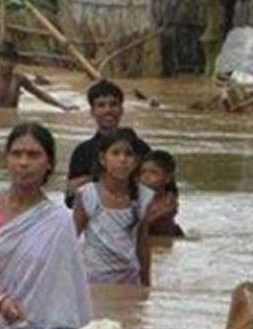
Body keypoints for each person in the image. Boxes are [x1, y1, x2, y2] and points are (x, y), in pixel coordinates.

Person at [0, 123, 92, 329]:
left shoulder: (61, 222)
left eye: (33, 155)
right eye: (17, 154)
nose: (24, 162)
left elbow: (68, 289)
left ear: (49, 163)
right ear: (6, 160)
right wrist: (0, 302)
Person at [73, 128, 176, 286]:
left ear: (135, 161)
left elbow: (142, 245)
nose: (122, 159)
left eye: (128, 154)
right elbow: (72, 238)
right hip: (94, 280)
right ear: (103, 159)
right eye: (115, 153)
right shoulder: (87, 195)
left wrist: (146, 286)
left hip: (129, 279)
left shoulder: (144, 196)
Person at [64, 79, 150, 208]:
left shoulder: (140, 147)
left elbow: (155, 186)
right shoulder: (83, 151)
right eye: (101, 105)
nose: (108, 110)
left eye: (113, 104)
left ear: (121, 109)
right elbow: (70, 198)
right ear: (92, 111)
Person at [0, 41, 78, 112]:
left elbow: (40, 94)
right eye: (4, 61)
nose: (7, 65)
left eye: (10, 62)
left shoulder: (19, 79)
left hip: (11, 118)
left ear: (15, 63)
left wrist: (62, 106)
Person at [139, 150, 185, 238]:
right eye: (143, 172)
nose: (146, 177)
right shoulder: (137, 197)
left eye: (154, 172)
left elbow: (143, 224)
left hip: (165, 238)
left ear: (168, 178)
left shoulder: (168, 201)